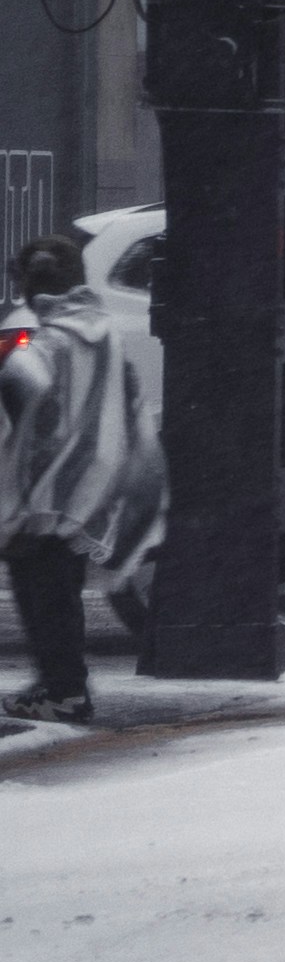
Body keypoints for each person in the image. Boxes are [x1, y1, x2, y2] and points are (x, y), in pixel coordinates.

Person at [3, 230, 158, 727]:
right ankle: (63, 684)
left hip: (48, 487)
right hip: (91, 485)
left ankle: (64, 688)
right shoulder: (105, 331)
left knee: (39, 588)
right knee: (59, 589)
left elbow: (24, 385)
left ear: (32, 287)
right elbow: (131, 397)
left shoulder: (51, 339)